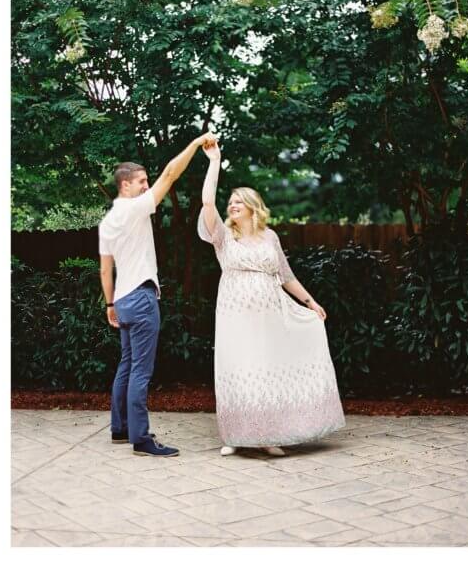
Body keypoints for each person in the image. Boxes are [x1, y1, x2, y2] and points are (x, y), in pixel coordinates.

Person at [198, 139, 345, 457]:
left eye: (239, 201)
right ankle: (236, 435)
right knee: (238, 369)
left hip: (270, 315)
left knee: (265, 369)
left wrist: (311, 302)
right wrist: (214, 161)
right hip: (234, 317)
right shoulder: (223, 237)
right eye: (231, 202)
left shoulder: (270, 237)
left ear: (253, 205)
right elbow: (208, 203)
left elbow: (286, 276)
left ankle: (267, 435)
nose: (232, 205)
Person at [100, 131, 218, 457]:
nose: (146, 186)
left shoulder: (109, 221)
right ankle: (141, 439)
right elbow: (170, 174)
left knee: (126, 364)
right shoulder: (134, 208)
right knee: (141, 371)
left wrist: (110, 303)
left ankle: (120, 428)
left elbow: (105, 269)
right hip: (140, 298)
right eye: (141, 181)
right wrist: (196, 144)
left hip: (123, 299)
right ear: (126, 185)